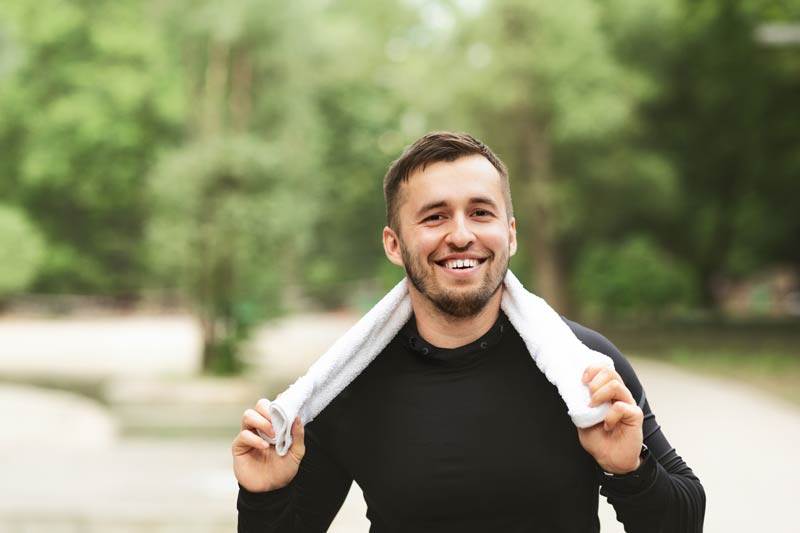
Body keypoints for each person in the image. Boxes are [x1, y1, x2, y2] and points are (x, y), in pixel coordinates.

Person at [233, 131, 706, 532]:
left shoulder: (584, 369)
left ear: (511, 233)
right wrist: (263, 496)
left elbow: (686, 517)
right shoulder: (349, 383)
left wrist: (630, 469)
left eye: (481, 212)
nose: (461, 234)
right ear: (394, 244)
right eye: (435, 216)